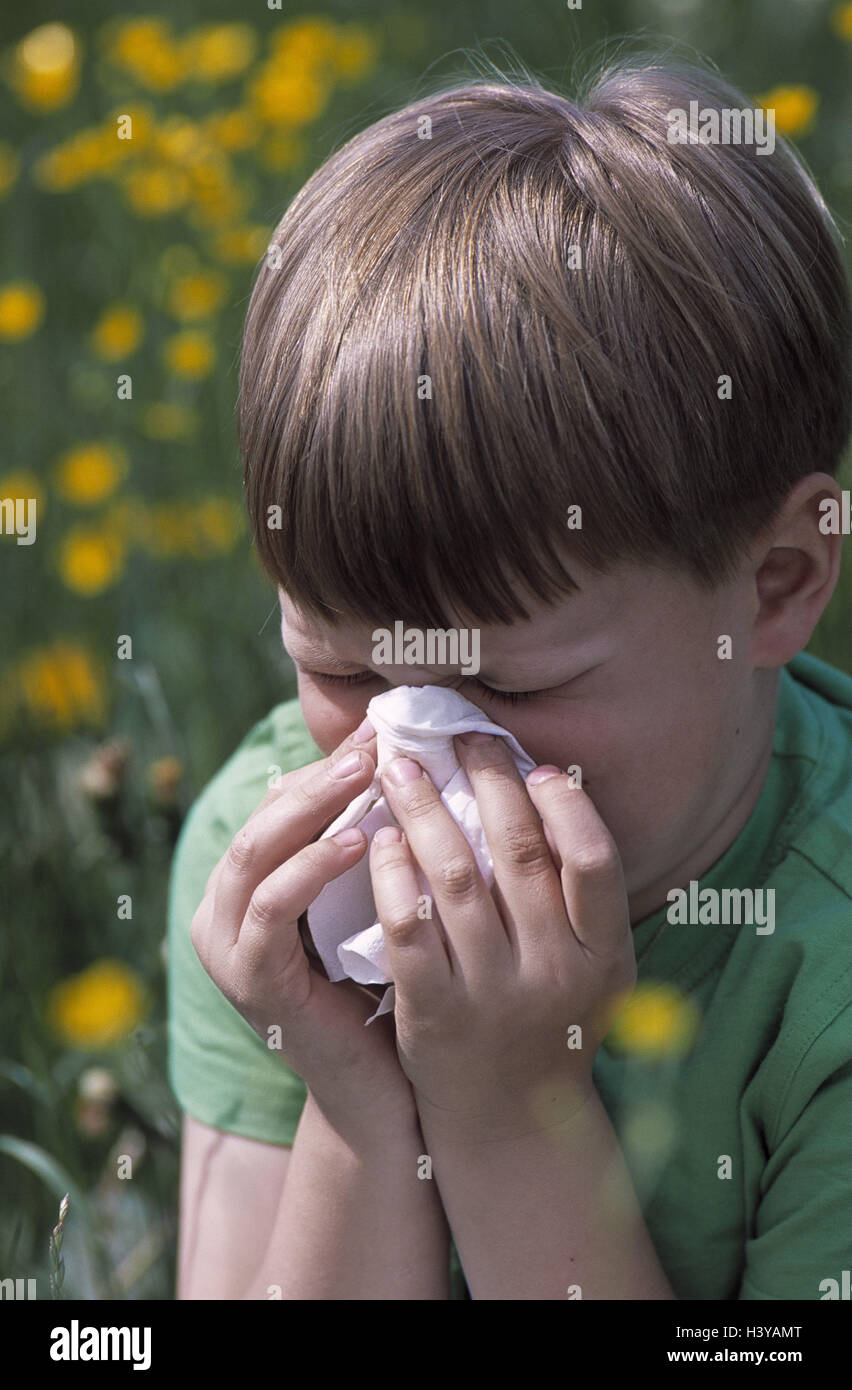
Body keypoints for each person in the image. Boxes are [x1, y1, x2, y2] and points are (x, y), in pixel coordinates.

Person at [168, 55, 852, 1299]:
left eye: (514, 688)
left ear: (776, 586)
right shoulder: (270, 884)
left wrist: (508, 1108)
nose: (410, 749)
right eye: (338, 666)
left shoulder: (827, 973)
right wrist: (359, 1098)